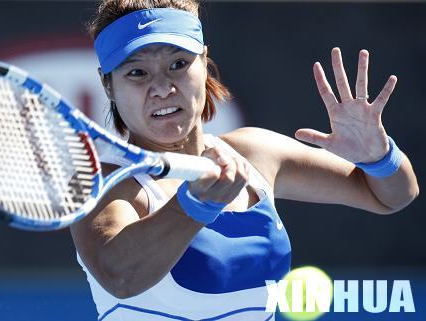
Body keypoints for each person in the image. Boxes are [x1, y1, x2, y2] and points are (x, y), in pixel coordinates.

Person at [70, 1, 420, 320]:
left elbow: (393, 196)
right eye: (137, 73)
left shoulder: (256, 153)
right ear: (108, 85)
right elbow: (120, 276)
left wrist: (379, 157)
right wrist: (194, 204)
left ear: (204, 63)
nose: (162, 88)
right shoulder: (105, 181)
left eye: (178, 64)